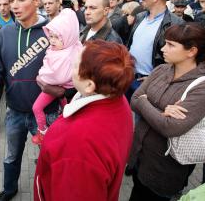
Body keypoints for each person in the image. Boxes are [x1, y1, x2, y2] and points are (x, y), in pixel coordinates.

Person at [0, 0, 60, 201]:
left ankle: (49, 192)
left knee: (50, 158)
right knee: (11, 156)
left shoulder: (53, 33)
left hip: (47, 112)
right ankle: (9, 189)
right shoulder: (4, 34)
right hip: (15, 111)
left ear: (36, 1)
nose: (15, 5)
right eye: (12, 0)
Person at [34, 40, 135, 201]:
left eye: (75, 65)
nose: (70, 65)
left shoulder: (78, 144)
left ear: (89, 85)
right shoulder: (117, 98)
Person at [128, 23, 205, 200]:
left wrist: (145, 103)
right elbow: (134, 99)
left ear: (191, 51)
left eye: (170, 45)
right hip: (140, 157)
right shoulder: (161, 70)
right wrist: (161, 112)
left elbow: (171, 128)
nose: (162, 48)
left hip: (164, 170)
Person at [31, 9, 82, 145]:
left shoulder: (66, 54)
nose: (52, 40)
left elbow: (58, 78)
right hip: (64, 90)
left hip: (59, 87)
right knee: (66, 112)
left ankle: (43, 131)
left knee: (37, 108)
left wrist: (41, 77)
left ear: (67, 36)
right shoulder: (69, 47)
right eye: (51, 36)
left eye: (56, 37)